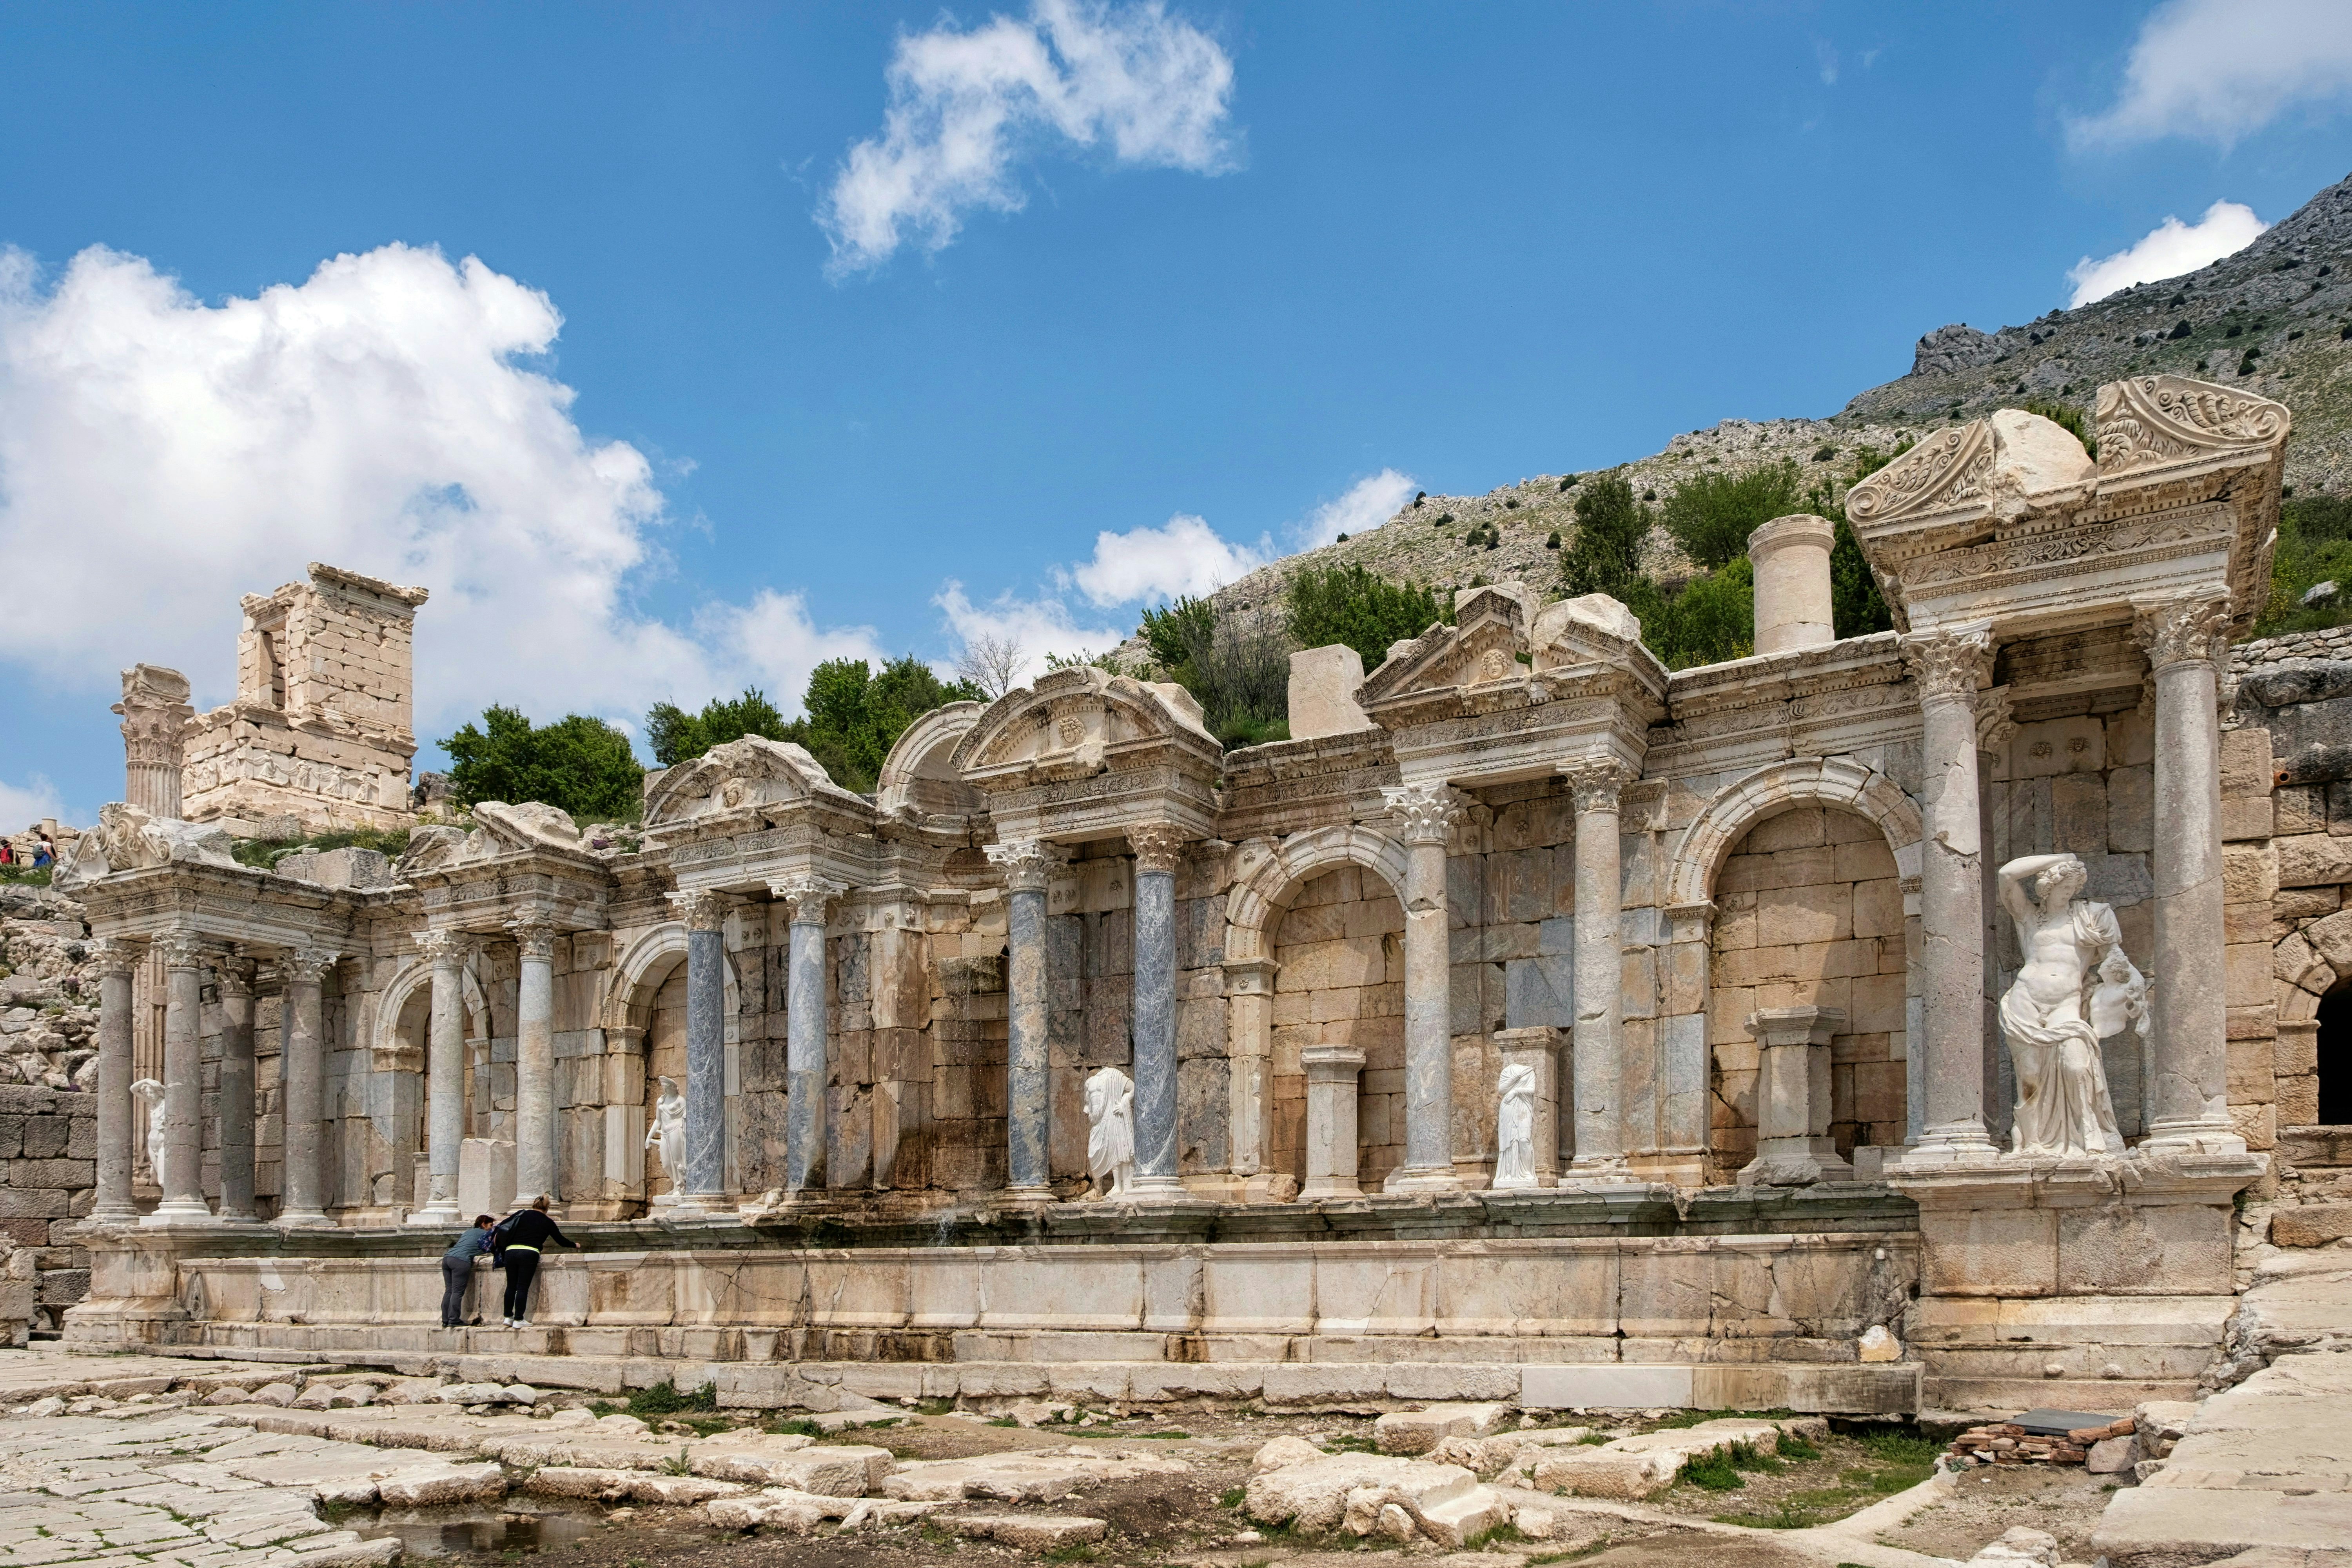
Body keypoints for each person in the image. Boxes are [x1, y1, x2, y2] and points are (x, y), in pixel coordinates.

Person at [493, 1194, 580, 1327]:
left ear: (534, 1205)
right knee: (522, 1287)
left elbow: (502, 1227)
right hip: (529, 1253)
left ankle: (508, 1318)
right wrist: (575, 1245)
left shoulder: (521, 1214)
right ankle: (519, 1319)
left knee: (511, 1286)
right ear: (547, 1208)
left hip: (511, 1251)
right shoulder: (547, 1221)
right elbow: (561, 1241)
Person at [440, 1214, 496, 1329]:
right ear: (484, 1224)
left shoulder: (467, 1232)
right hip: (461, 1261)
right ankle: (454, 1320)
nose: (492, 1228)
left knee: (449, 1291)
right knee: (457, 1292)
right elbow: (493, 1246)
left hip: (447, 1259)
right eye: (491, 1225)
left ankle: (445, 1320)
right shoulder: (486, 1234)